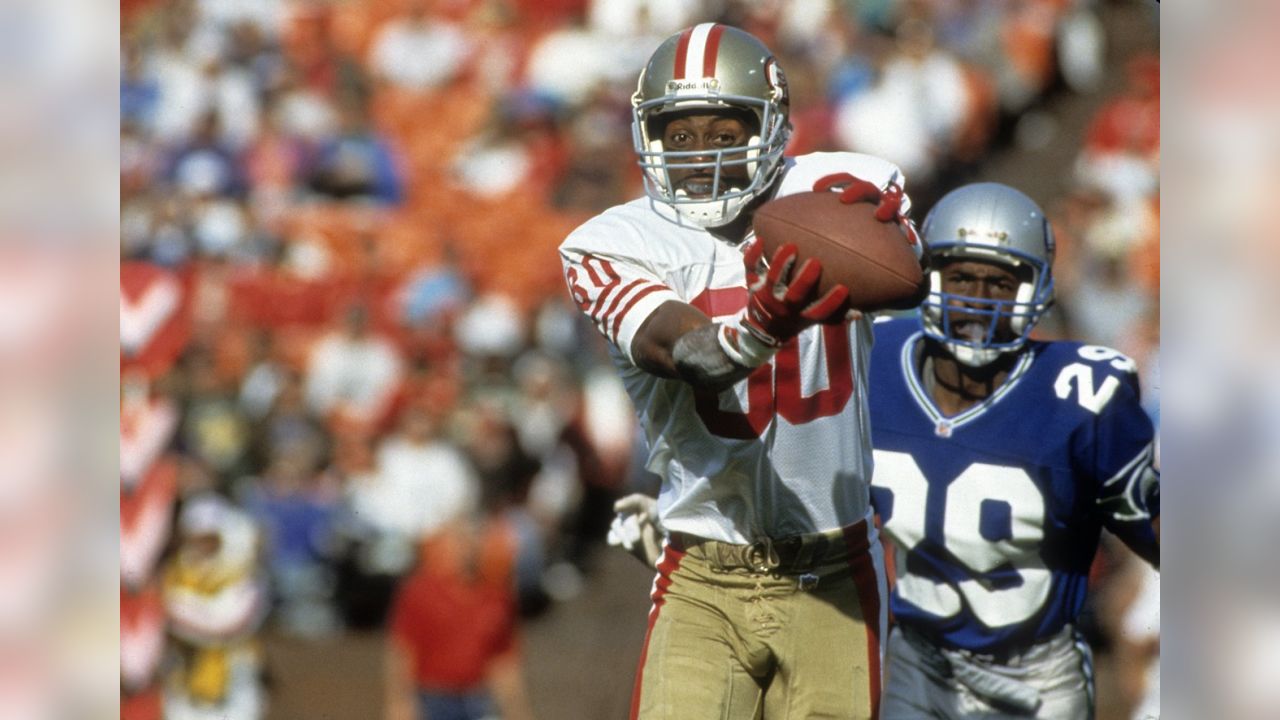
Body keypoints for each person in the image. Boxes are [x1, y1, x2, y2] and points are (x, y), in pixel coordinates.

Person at [558, 23, 922, 719]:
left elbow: (906, 278)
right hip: (703, 570)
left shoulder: (844, 188)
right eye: (678, 134)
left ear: (773, 126)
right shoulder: (611, 242)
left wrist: (893, 249)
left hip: (837, 564)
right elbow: (686, 353)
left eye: (723, 129)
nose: (699, 155)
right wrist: (764, 325)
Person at [866, 182, 1160, 718]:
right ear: (929, 278)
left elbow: (1155, 526)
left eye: (1001, 282)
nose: (978, 299)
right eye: (961, 278)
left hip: (1038, 675)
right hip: (917, 659)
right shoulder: (875, 360)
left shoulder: (1081, 392)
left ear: (1037, 290)